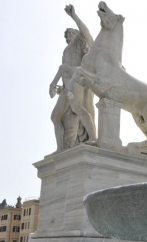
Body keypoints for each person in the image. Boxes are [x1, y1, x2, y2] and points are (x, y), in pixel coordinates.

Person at [49, 5, 96, 153]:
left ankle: (93, 138)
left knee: (78, 108)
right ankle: (60, 148)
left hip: (77, 80)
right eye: (67, 33)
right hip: (67, 85)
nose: (69, 34)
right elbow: (63, 69)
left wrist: (74, 16)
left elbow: (86, 33)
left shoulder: (78, 41)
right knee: (55, 117)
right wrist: (61, 86)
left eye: (71, 32)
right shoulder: (66, 51)